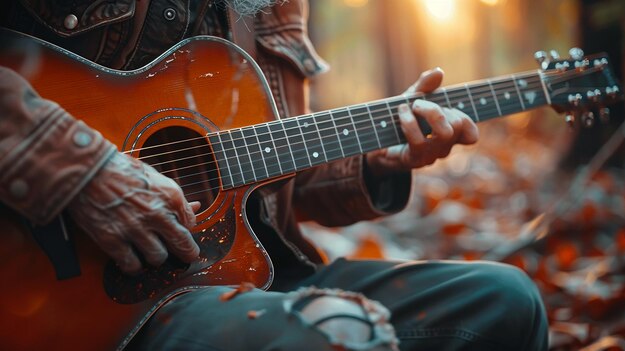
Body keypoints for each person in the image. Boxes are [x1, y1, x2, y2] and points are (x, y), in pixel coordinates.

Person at [0, 0, 549, 350]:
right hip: (103, 309)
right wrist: (84, 172)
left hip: (259, 277)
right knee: (333, 334)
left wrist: (377, 156)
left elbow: (256, 174)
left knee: (505, 299)